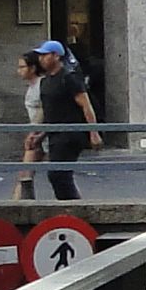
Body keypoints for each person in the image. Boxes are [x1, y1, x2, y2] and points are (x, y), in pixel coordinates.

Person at [25, 40, 96, 201]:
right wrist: (39, 135)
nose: (41, 59)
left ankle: (74, 208)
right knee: (58, 175)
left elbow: (86, 105)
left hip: (70, 134)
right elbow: (50, 115)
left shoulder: (69, 78)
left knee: (58, 174)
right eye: (40, 56)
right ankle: (72, 205)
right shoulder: (45, 82)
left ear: (56, 56)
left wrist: (94, 132)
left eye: (45, 55)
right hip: (54, 134)